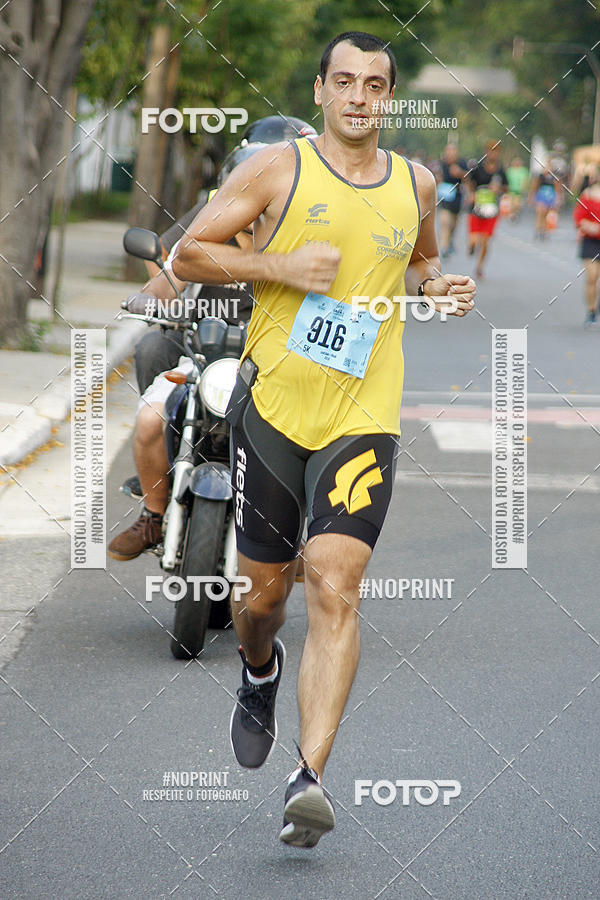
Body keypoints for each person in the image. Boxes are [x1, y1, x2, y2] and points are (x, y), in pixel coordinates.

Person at [173, 30, 475, 848]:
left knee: (337, 582)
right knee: (260, 600)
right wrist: (276, 266)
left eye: (374, 85)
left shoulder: (415, 183)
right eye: (344, 81)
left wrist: (438, 286)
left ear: (388, 97)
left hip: (363, 412)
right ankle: (258, 669)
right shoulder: (279, 169)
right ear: (319, 92)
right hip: (276, 408)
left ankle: (308, 782)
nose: (358, 98)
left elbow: (421, 264)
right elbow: (189, 251)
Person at [107, 123, 318, 560]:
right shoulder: (208, 231)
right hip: (203, 354)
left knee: (310, 435)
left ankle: (295, 536)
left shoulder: (303, 237)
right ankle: (155, 512)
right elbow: (169, 272)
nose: (253, 210)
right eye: (245, 198)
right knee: (150, 410)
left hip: (271, 364)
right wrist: (149, 301)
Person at [465, 140, 508, 278]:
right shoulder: (478, 167)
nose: (492, 154)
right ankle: (471, 247)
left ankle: (480, 266)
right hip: (476, 209)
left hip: (492, 211)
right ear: (486, 152)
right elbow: (469, 182)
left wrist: (499, 189)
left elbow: (506, 188)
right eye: (490, 151)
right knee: (473, 241)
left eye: (495, 151)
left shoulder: (501, 170)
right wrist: (471, 194)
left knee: (485, 240)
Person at [573, 165, 600, 326]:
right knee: (592, 276)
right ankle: (591, 310)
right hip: (590, 241)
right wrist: (590, 227)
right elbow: (578, 218)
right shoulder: (588, 195)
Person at [436, 142, 467, 256]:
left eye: (453, 152)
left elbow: (468, 178)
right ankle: (444, 247)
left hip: (457, 196)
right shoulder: (441, 164)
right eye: (448, 152)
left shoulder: (462, 163)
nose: (450, 154)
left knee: (453, 223)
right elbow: (435, 176)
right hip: (444, 197)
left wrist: (459, 173)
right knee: (445, 222)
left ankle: (450, 240)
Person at [529, 159, 561, 240]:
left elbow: (558, 187)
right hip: (542, 194)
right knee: (540, 212)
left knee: (546, 214)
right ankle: (538, 228)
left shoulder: (554, 177)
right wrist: (532, 196)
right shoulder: (541, 176)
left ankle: (544, 230)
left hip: (550, 195)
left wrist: (558, 198)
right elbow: (536, 186)